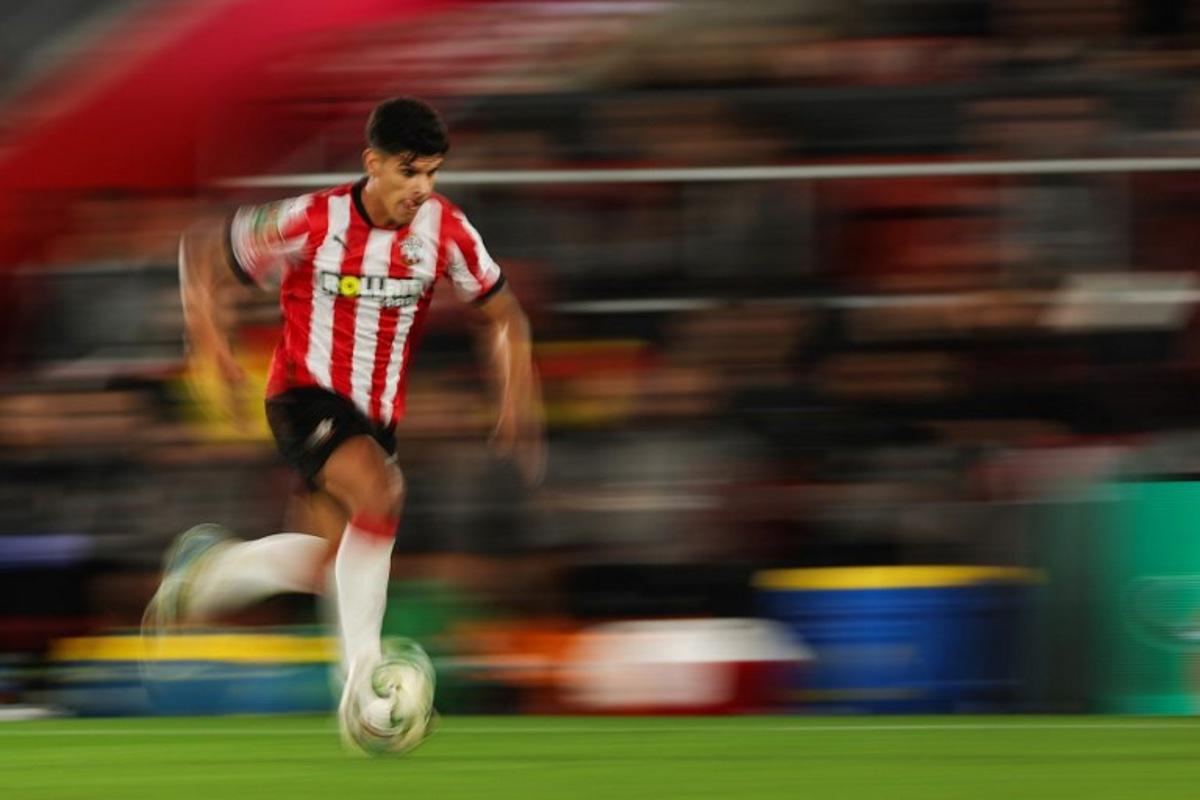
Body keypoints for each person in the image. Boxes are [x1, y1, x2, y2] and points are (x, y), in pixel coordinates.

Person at [144, 96, 544, 748]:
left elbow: (505, 315)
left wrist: (515, 391)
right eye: (409, 172)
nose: (422, 188)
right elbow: (204, 253)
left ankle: (208, 574)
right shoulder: (315, 218)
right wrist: (208, 343)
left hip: (376, 417)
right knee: (381, 492)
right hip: (304, 397)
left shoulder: (444, 230)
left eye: (432, 173)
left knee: (333, 568)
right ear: (374, 163)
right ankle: (364, 689)